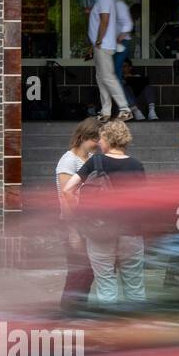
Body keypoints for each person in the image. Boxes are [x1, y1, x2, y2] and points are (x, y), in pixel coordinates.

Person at [61, 119, 147, 304]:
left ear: (108, 139)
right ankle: (137, 328)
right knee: (135, 286)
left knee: (106, 283)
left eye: (101, 138)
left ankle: (110, 327)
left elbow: (68, 189)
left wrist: (79, 214)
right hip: (131, 232)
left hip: (101, 232)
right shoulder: (137, 165)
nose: (99, 142)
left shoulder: (96, 162)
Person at [55, 118, 101, 310]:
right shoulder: (68, 161)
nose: (98, 143)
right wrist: (74, 231)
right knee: (77, 273)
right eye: (96, 139)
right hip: (73, 224)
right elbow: (65, 197)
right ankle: (67, 313)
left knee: (87, 272)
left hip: (88, 223)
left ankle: (77, 312)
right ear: (84, 137)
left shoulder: (89, 159)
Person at [84, 0, 132, 124]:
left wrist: (98, 40)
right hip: (101, 45)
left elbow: (104, 20)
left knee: (108, 78)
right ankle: (106, 111)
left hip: (103, 45)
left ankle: (125, 109)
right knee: (102, 78)